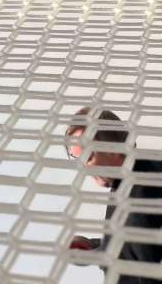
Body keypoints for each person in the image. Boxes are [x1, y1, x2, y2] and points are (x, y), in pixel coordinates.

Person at [65, 107, 162, 282]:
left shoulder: (141, 190)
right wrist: (95, 247)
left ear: (114, 147)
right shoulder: (127, 184)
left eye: (88, 158)